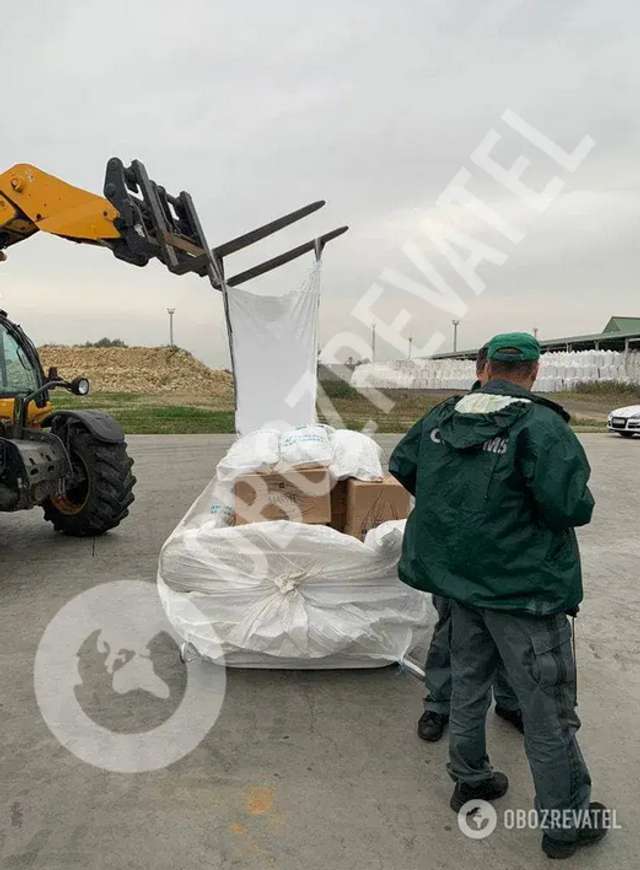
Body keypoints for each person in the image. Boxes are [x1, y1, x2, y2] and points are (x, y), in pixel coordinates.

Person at [389, 333, 608, 859]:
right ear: (533, 373)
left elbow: (402, 466)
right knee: (547, 709)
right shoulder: (541, 426)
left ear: (482, 367)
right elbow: (568, 506)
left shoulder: (441, 417)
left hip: (461, 583)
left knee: (468, 684)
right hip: (525, 592)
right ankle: (564, 820)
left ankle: (470, 777)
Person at [417, 344, 523, 742]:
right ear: (481, 369)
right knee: (452, 631)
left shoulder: (528, 420)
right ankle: (438, 704)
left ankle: (510, 702)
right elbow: (410, 465)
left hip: (502, 553)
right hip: (455, 552)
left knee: (508, 635)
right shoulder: (447, 416)